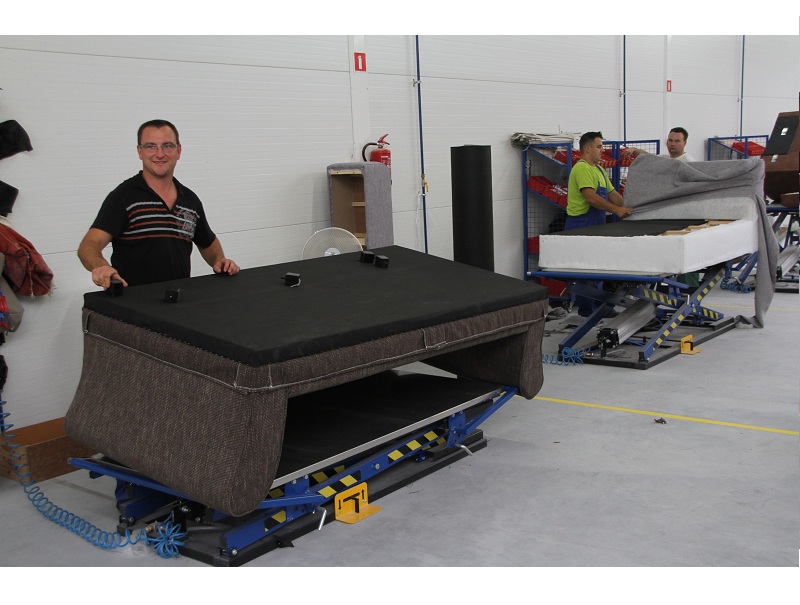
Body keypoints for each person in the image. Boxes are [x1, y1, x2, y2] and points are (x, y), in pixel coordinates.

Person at [78, 119, 239, 290]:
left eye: (167, 146)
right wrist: (100, 266)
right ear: (140, 152)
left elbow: (208, 242)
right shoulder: (123, 197)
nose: (160, 154)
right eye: (151, 146)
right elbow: (89, 245)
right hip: (133, 302)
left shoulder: (190, 200)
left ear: (178, 151)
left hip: (179, 299)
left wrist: (219, 260)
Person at [565, 132, 631, 317]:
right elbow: (591, 198)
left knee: (598, 267)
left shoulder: (599, 170)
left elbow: (613, 195)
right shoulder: (582, 168)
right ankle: (588, 312)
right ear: (588, 148)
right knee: (586, 272)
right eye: (599, 146)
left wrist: (630, 209)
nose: (603, 150)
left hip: (596, 226)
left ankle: (601, 308)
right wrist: (616, 210)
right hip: (581, 226)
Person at [622, 127, 697, 162]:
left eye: (677, 141)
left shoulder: (689, 162)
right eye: (670, 140)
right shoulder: (664, 159)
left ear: (684, 143)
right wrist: (634, 150)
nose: (673, 144)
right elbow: (647, 156)